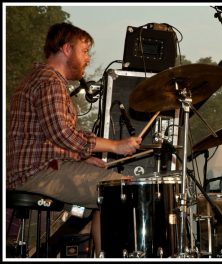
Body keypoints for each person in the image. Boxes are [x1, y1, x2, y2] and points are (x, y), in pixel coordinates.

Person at [6, 22, 142, 257]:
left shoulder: (41, 78)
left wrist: (84, 156)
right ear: (67, 49)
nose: (88, 59)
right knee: (119, 191)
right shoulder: (49, 80)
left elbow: (46, 140)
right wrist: (116, 146)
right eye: (84, 51)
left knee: (112, 191)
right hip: (34, 172)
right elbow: (62, 133)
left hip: (38, 166)